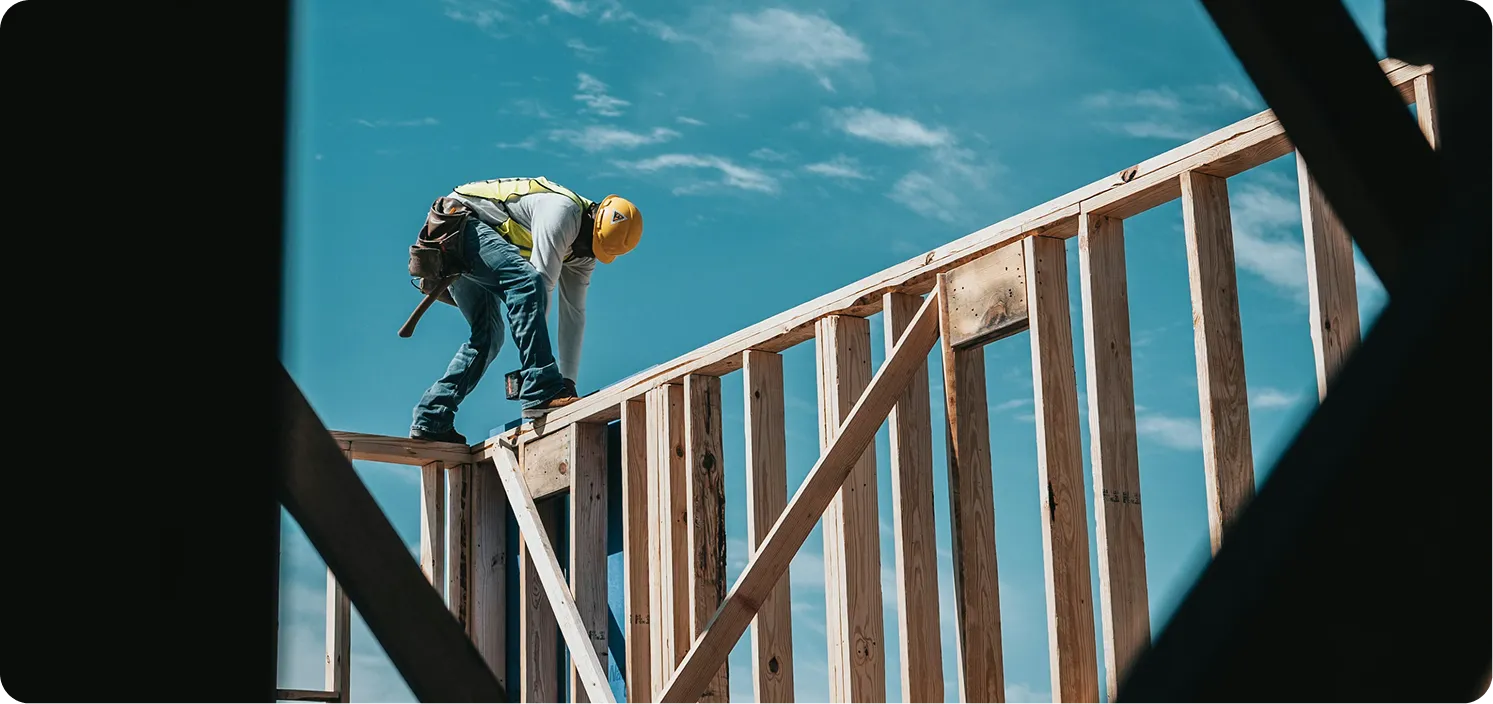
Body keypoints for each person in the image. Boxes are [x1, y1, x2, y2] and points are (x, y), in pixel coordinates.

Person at [409, 176, 642, 444]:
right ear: (592, 218)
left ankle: (432, 417)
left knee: (488, 337)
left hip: (470, 240)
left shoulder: (583, 253)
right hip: (456, 224)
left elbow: (573, 315)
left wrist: (568, 382)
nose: (583, 253)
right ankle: (541, 387)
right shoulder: (563, 212)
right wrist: (542, 381)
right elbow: (538, 286)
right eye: (587, 244)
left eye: (593, 251)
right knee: (526, 282)